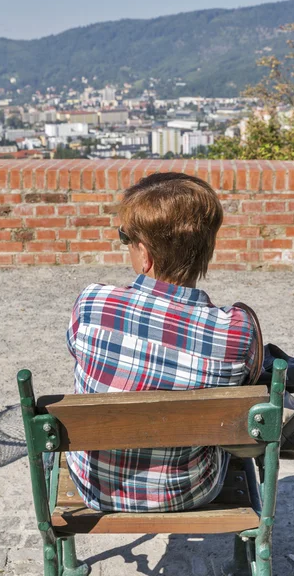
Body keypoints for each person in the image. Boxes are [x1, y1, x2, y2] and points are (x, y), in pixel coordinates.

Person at [65, 172, 257, 513]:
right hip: (188, 490)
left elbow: (79, 354)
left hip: (96, 486)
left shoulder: (93, 303)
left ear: (146, 254)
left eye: (126, 237)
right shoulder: (238, 331)